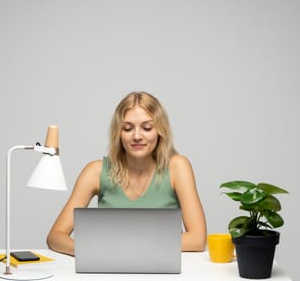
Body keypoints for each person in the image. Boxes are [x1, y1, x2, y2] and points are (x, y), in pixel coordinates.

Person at [47, 91, 207, 256]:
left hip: (162, 274)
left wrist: (127, 246)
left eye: (147, 128)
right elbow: (55, 237)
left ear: (160, 131)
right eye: (128, 128)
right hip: (110, 271)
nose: (137, 136)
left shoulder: (177, 167)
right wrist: (93, 251)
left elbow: (198, 239)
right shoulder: (95, 171)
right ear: (119, 133)